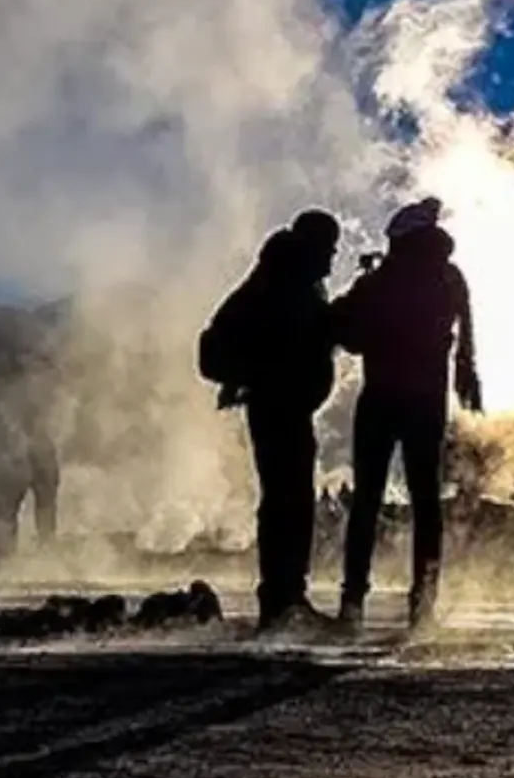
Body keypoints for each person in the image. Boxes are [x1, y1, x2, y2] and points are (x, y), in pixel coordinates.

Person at [332, 197, 481, 630]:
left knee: (366, 502)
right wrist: (468, 373)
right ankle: (423, 604)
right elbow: (467, 334)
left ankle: (353, 603)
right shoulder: (450, 278)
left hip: (381, 398)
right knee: (426, 504)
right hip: (427, 402)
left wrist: (359, 288)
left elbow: (351, 336)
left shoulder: (380, 283)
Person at [200, 209, 344, 630]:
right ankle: (281, 600)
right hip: (278, 407)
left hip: (287, 407)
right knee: (287, 502)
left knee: (291, 500)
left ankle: (287, 597)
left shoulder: (288, 280)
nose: (332, 259)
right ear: (312, 246)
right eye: (329, 249)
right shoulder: (278, 283)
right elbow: (233, 341)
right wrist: (259, 375)